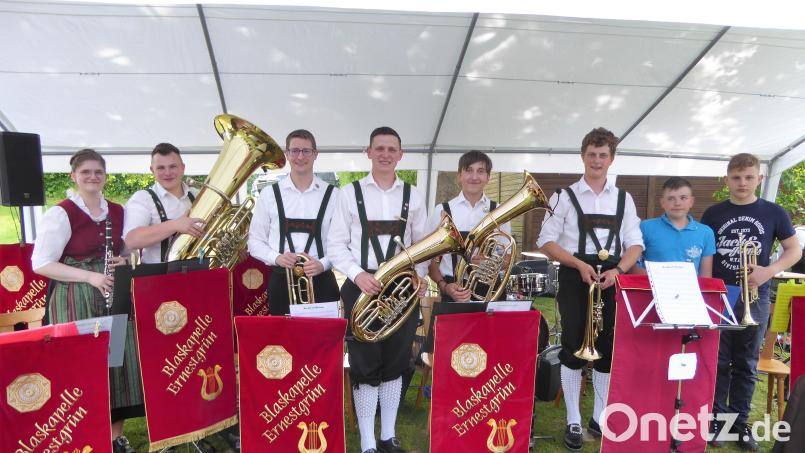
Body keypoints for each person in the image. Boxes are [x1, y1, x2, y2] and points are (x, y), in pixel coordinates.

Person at [537, 127, 644, 451]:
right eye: (592, 154)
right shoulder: (563, 196)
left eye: (603, 155)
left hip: (611, 278)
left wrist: (619, 271)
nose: (597, 160)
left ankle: (599, 417)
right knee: (572, 347)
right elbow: (545, 241)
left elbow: (635, 244)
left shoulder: (624, 199)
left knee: (607, 350)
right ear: (583, 156)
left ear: (611, 159)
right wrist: (578, 265)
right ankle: (573, 419)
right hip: (575, 276)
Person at [31, 149, 142, 453]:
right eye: (86, 172)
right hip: (74, 298)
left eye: (98, 172)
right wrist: (89, 277)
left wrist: (125, 260)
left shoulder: (117, 211)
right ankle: (83, 435)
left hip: (113, 294)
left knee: (116, 364)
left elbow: (128, 249)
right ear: (73, 176)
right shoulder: (61, 213)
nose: (93, 177)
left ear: (105, 175)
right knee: (80, 367)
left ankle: (115, 438)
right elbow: (41, 263)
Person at [327, 127, 428, 453]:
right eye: (379, 148)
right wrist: (357, 276)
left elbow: (422, 246)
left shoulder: (413, 195)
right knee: (365, 364)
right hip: (362, 286)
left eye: (391, 149)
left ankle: (387, 435)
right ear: (368, 152)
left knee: (396, 361)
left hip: (402, 289)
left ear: (400, 154)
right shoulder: (348, 193)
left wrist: (419, 276)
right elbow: (335, 245)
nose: (385, 154)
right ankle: (368, 440)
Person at [703, 153, 801, 451]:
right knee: (719, 361)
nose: (742, 183)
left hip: (754, 296)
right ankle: (718, 422)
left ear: (759, 178)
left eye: (748, 177)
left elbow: (794, 250)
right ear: (727, 180)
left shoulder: (774, 212)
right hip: (722, 295)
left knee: (746, 363)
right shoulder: (713, 213)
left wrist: (768, 271)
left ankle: (740, 424)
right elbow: (706, 253)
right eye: (736, 177)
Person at [247, 129, 340, 314]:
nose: (300, 156)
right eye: (295, 151)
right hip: (282, 283)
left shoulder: (334, 195)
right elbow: (254, 242)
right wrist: (277, 258)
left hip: (322, 282)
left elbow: (342, 242)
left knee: (324, 334)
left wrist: (323, 263)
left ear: (315, 154)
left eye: (306, 151)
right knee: (284, 334)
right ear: (287, 154)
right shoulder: (269, 195)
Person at [426, 150, 510, 302]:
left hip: (490, 292)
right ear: (459, 176)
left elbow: (508, 258)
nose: (474, 177)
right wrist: (444, 286)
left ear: (488, 177)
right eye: (469, 170)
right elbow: (429, 260)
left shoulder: (500, 211)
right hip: (452, 290)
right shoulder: (441, 211)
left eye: (481, 171)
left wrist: (491, 264)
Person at [123, 143, 202, 263]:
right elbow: (132, 240)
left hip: (199, 269)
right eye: (161, 168)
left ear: (182, 168)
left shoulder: (198, 195)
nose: (167, 173)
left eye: (173, 166)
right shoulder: (143, 198)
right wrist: (175, 225)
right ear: (152, 170)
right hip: (158, 273)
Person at [634, 176, 715, 276]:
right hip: (652, 285)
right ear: (662, 202)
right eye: (671, 198)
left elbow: (706, 276)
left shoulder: (705, 233)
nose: (677, 203)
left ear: (691, 202)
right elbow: (633, 267)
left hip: (689, 286)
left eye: (683, 198)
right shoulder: (645, 227)